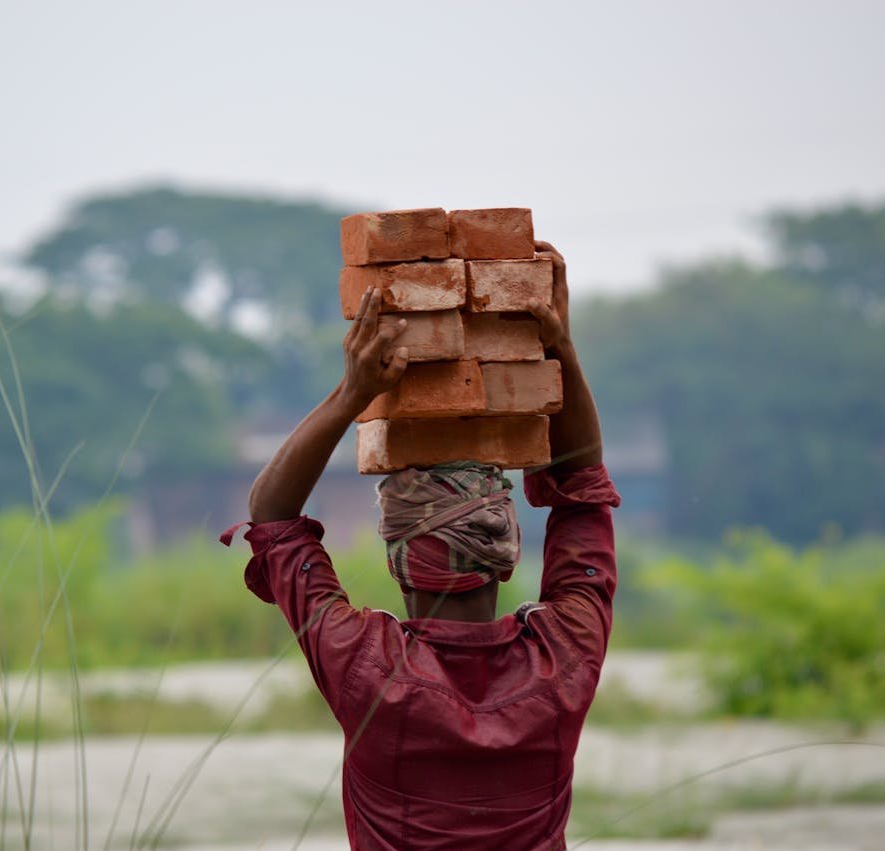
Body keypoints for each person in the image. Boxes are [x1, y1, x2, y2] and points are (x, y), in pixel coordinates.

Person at [221, 240, 620, 849]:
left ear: (396, 560)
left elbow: (271, 516)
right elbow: (583, 496)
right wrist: (558, 348)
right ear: (507, 555)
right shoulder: (565, 654)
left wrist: (352, 394)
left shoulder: (365, 662)